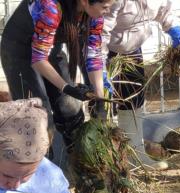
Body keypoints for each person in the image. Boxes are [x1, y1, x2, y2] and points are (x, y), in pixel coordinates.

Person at [0, 0, 113, 152]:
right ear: (85, 2)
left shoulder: (95, 15)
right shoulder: (50, 8)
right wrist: (67, 88)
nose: (108, 11)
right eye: (105, 7)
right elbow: (39, 60)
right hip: (20, 49)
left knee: (70, 106)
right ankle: (41, 166)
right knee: (38, 114)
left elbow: (93, 55)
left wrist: (100, 99)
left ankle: (77, 161)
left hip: (50, 47)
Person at [102, 0, 180, 170]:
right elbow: (100, 32)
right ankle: (105, 161)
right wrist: (100, 68)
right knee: (103, 106)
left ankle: (135, 155)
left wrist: (175, 30)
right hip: (106, 52)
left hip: (132, 51)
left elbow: (163, 12)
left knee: (133, 102)